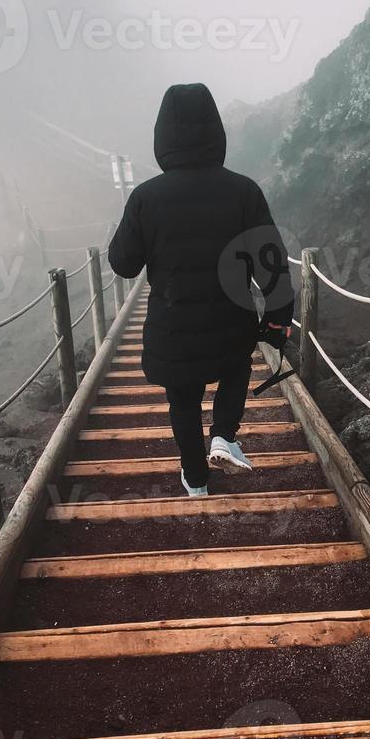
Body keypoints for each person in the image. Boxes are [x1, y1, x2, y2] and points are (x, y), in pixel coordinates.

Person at [108, 83, 294, 497]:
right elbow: (271, 263)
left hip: (172, 326)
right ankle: (225, 435)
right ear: (216, 130)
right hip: (231, 319)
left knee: (183, 399)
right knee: (235, 369)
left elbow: (124, 264)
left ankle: (195, 479)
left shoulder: (145, 198)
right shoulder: (244, 191)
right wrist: (279, 320)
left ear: (162, 137)